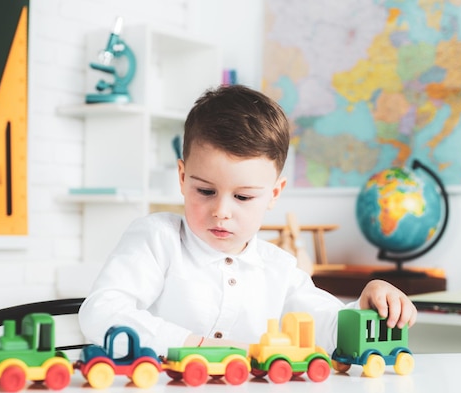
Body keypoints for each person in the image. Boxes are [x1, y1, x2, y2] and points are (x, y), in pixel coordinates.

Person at [78, 84, 417, 356]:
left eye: (243, 197)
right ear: (182, 177)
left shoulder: (279, 269)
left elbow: (326, 327)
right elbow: (102, 312)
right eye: (205, 191)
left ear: (274, 193)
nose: (221, 211)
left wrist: (366, 303)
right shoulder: (157, 239)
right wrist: (195, 345)